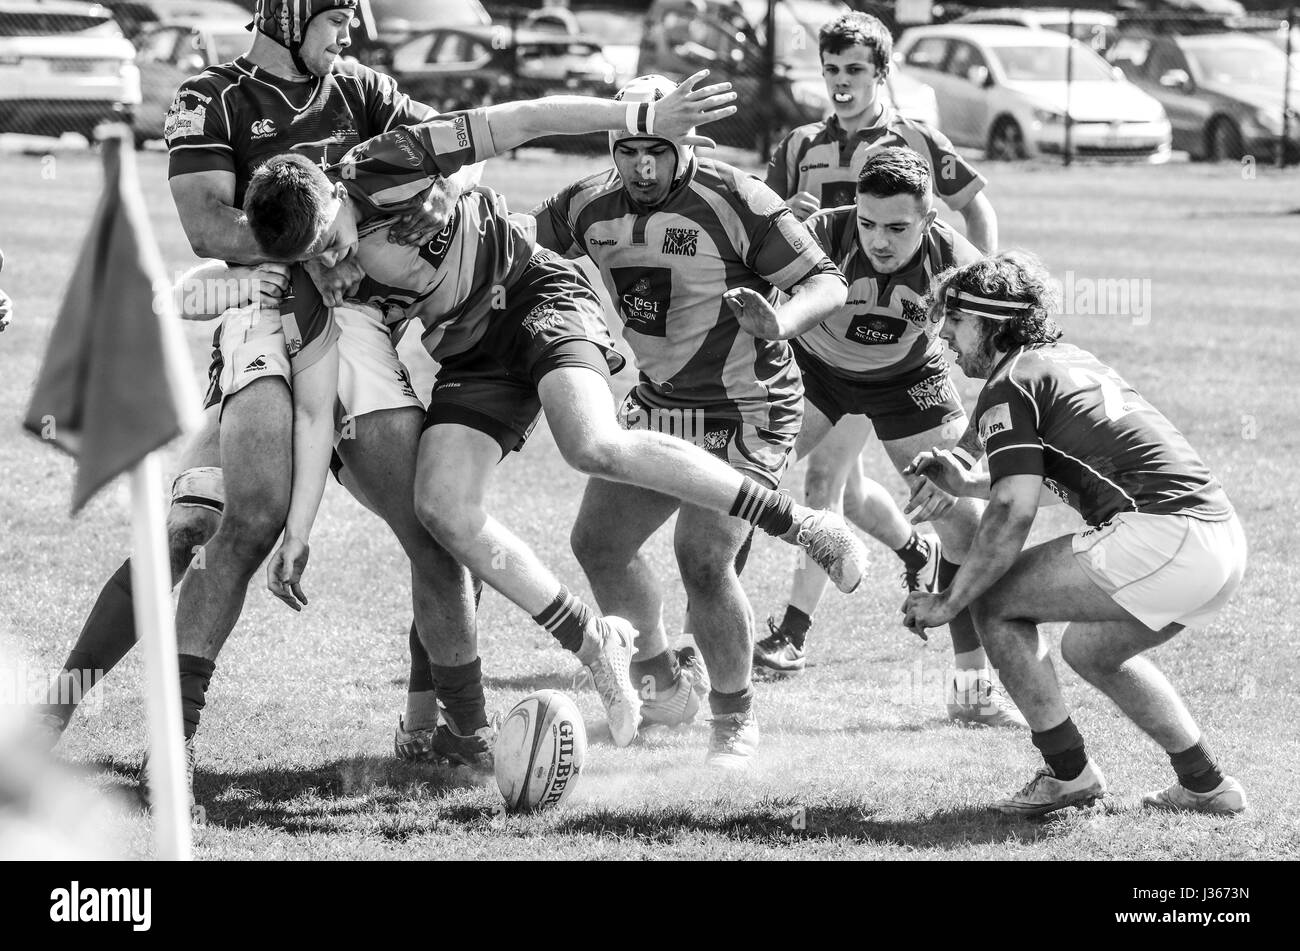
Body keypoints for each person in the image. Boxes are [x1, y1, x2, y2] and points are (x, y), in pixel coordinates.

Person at [241, 74, 865, 756]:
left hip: (540, 299)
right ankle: (603, 647)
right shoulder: (314, 267)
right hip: (475, 354)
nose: (330, 260)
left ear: (334, 190)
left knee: (600, 453)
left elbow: (524, 116)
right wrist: (296, 531)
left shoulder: (385, 161)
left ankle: (802, 534)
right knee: (444, 509)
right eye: (313, 258)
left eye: (330, 240)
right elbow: (311, 405)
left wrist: (639, 113)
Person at [36, 0, 491, 779]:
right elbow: (209, 228)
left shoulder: (365, 90)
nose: (350, 34)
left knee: (444, 525)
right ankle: (82, 717)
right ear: (286, 13)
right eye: (337, 18)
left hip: (360, 330)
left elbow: (459, 156)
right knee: (218, 525)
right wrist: (313, 241)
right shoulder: (208, 95)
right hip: (264, 313)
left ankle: (444, 731)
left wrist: (437, 195)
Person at [531, 75, 854, 769]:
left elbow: (827, 280)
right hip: (661, 402)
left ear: (687, 144)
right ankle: (664, 686)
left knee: (703, 557)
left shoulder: (735, 197)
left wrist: (782, 320)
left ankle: (734, 720)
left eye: (658, 151)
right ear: (612, 144)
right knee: (597, 543)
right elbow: (523, 256)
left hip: (749, 405)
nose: (642, 168)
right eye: (628, 151)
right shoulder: (587, 204)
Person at [903, 251, 1248, 816]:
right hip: (1220, 545)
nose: (944, 335)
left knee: (993, 601)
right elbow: (1031, 479)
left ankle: (1069, 775)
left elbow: (1014, 513)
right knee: (1092, 651)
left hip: (1163, 536)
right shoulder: (1064, 359)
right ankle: (1206, 783)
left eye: (955, 320)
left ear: (992, 322)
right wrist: (969, 482)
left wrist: (948, 600)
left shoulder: (1008, 383)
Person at [759, 11, 1000, 669]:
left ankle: (962, 664)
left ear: (882, 73)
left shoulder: (916, 144)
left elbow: (976, 208)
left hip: (903, 357)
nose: (840, 83)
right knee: (806, 486)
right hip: (821, 349)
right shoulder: (800, 144)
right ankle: (780, 628)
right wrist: (790, 228)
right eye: (830, 70)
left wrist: (967, 296)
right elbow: (760, 228)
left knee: (861, 489)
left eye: (854, 71)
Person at [750, 148, 1024, 726]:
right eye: (869, 223)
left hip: (909, 379)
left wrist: (966, 453)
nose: (879, 240)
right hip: (812, 370)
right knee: (735, 492)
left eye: (898, 228)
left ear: (929, 221)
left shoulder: (955, 260)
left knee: (962, 522)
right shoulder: (821, 234)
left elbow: (1010, 357)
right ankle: (708, 663)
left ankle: (970, 693)